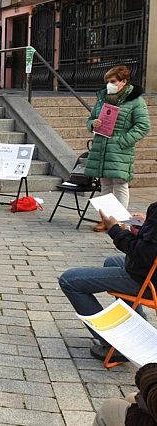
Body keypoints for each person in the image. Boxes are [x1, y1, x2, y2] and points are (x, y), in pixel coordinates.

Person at [58, 202, 157, 363]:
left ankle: (114, 345)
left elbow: (142, 253)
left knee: (69, 280)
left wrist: (114, 229)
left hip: (148, 280)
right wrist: (146, 225)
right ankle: (136, 331)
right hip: (147, 271)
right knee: (112, 262)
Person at [84, 65, 151, 232]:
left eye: (113, 81)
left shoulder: (135, 101)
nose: (109, 84)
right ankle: (106, 220)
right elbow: (90, 119)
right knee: (105, 185)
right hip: (102, 146)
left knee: (120, 185)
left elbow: (143, 126)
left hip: (120, 149)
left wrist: (123, 141)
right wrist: (93, 124)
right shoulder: (103, 98)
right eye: (108, 81)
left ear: (123, 82)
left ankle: (120, 221)